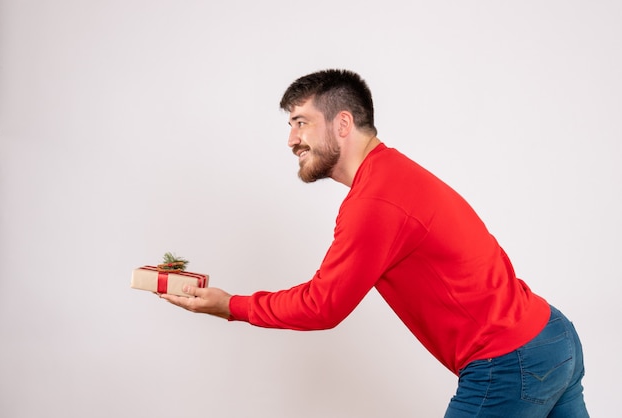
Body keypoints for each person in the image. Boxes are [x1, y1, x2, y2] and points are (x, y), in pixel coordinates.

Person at [161, 69, 589, 417]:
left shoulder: (374, 202)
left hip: (510, 361)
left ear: (343, 122)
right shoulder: (392, 174)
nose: (291, 139)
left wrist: (230, 305)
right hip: (552, 336)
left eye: (301, 122)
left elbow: (321, 306)